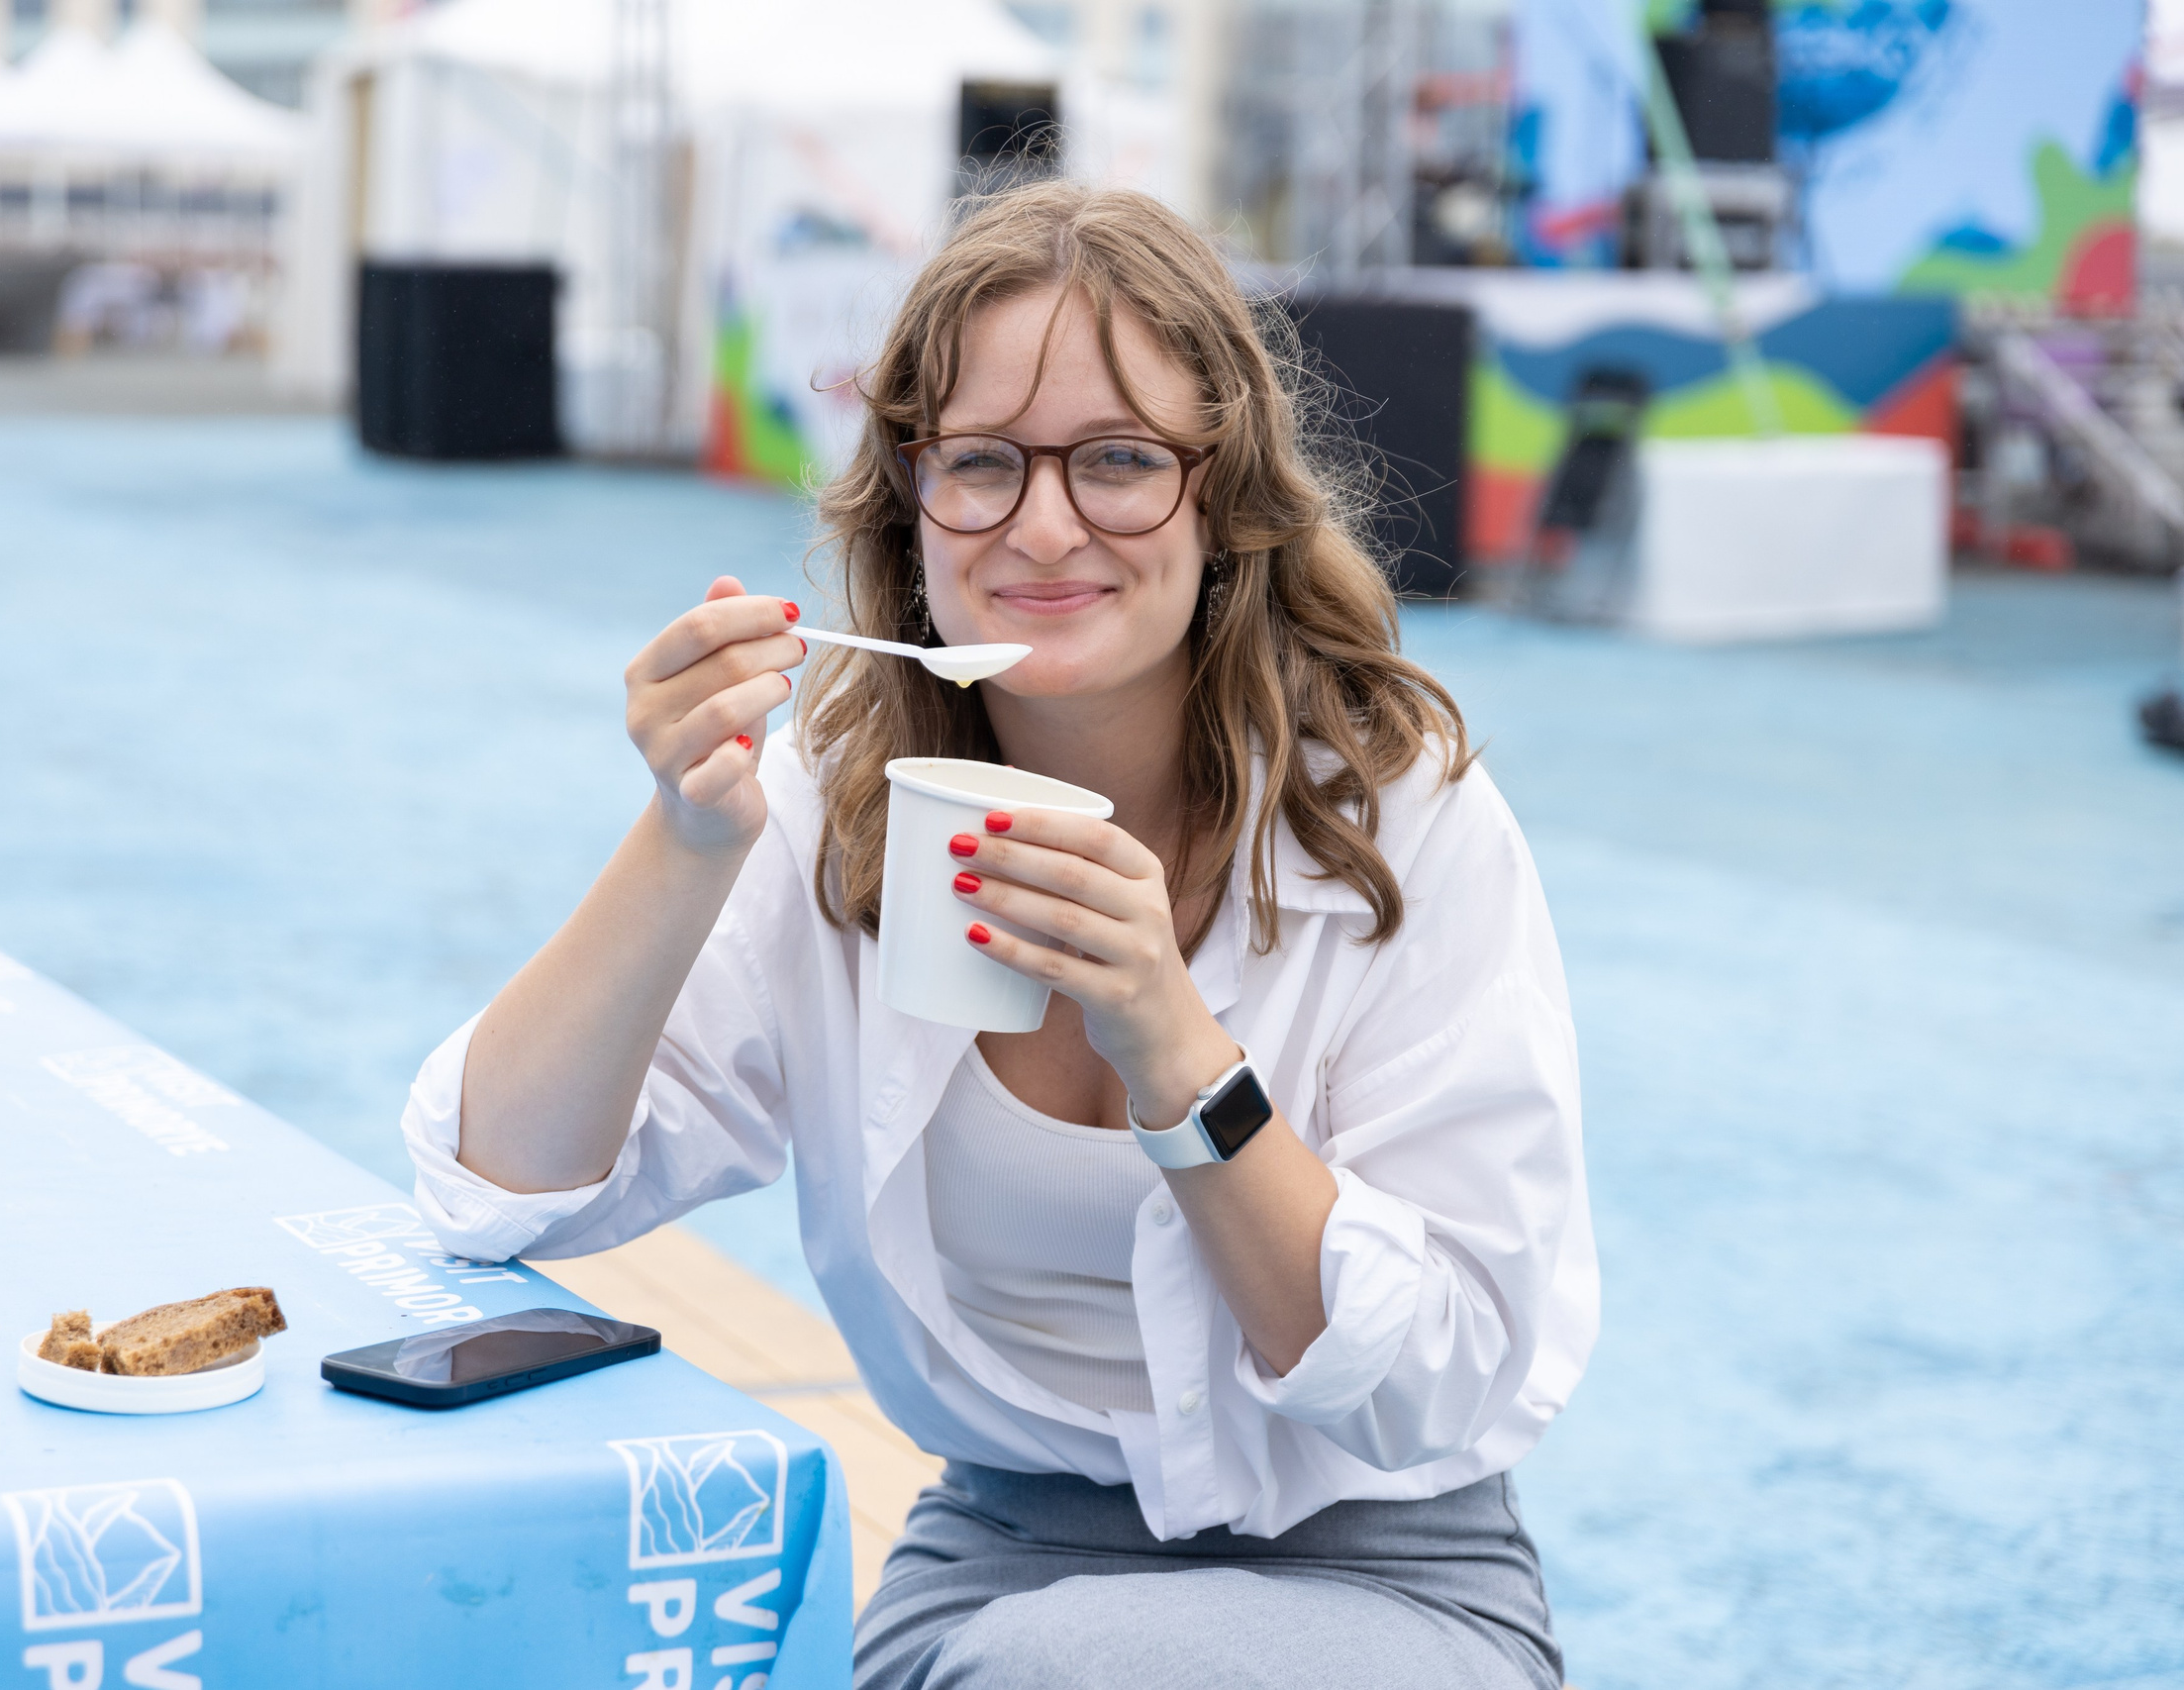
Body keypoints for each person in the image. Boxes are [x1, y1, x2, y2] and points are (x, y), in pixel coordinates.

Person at [404, 180, 1597, 1689]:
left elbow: (1445, 1377)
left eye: (1115, 461)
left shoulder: (1399, 823)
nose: (1042, 525)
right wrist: (685, 839)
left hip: (1389, 1572)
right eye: (980, 464)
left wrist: (1178, 1056)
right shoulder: (835, 809)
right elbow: (495, 1188)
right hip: (996, 1567)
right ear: (914, 502)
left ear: (1223, 494)